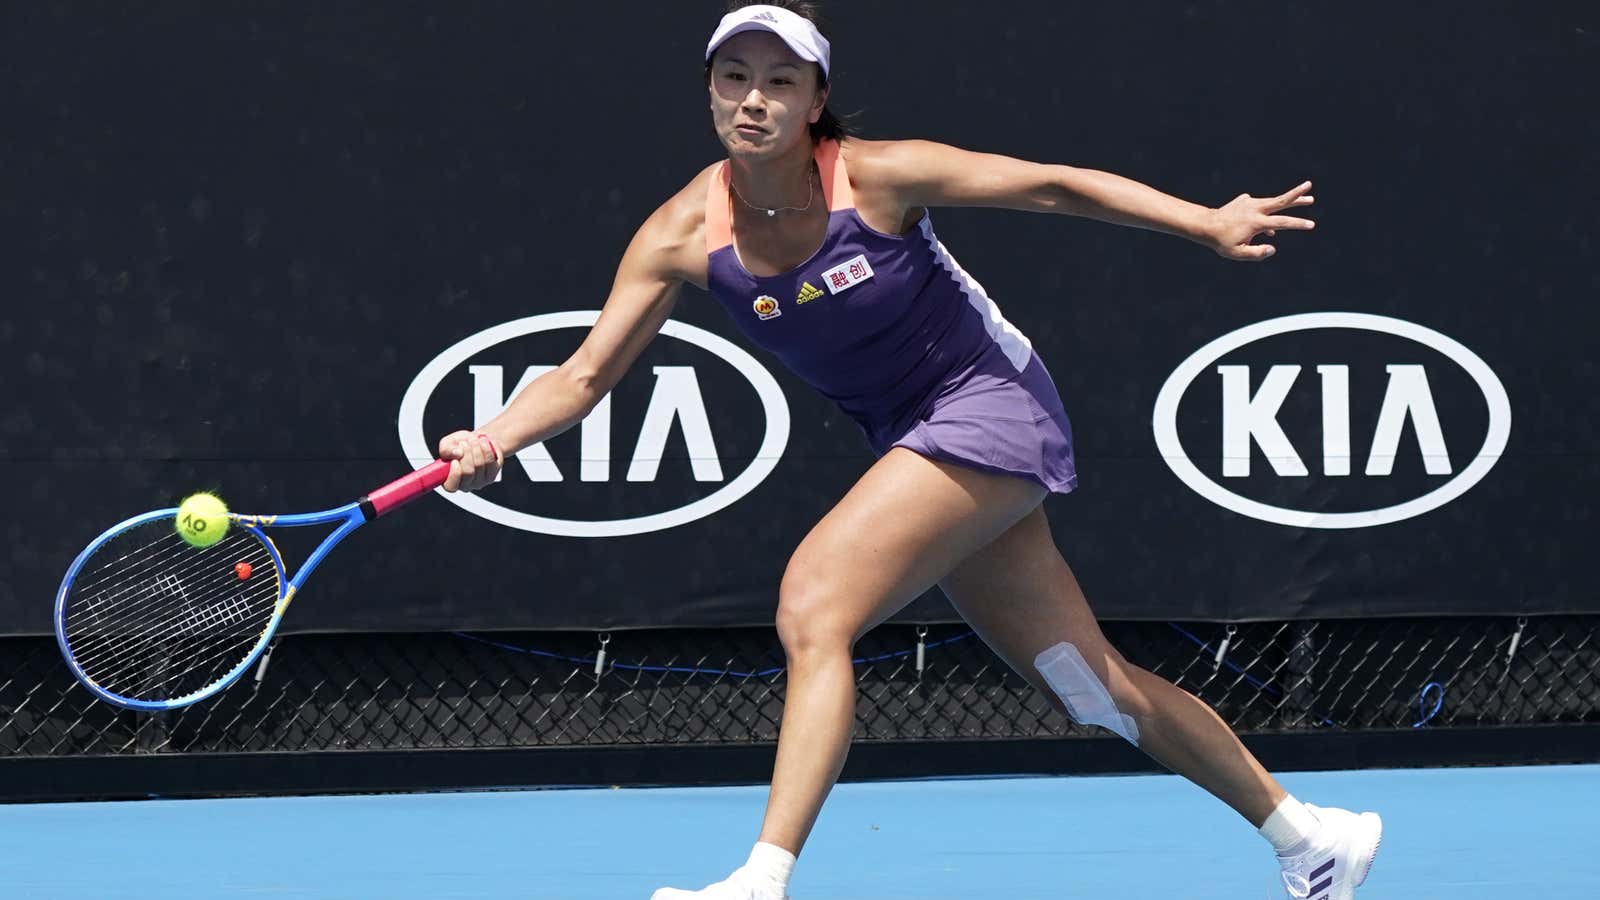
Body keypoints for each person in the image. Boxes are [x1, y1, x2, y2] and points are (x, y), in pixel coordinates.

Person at [436, 3, 1380, 898]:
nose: (753, 99)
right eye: (734, 78)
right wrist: (492, 439)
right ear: (711, 92)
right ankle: (1312, 839)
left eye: (779, 81)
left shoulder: (878, 177)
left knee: (813, 605)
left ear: (816, 101)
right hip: (914, 435)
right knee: (1094, 690)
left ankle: (763, 878)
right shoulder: (682, 232)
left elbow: (1048, 185)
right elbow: (586, 375)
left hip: (989, 402)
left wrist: (1203, 221)